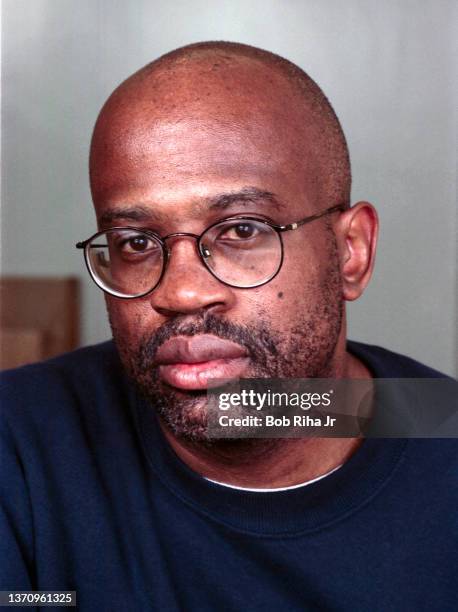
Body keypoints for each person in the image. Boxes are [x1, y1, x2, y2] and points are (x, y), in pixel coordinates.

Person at [1, 42, 456, 611]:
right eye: (136, 243)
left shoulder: (438, 425)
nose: (182, 292)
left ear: (349, 253)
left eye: (242, 231)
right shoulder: (20, 441)